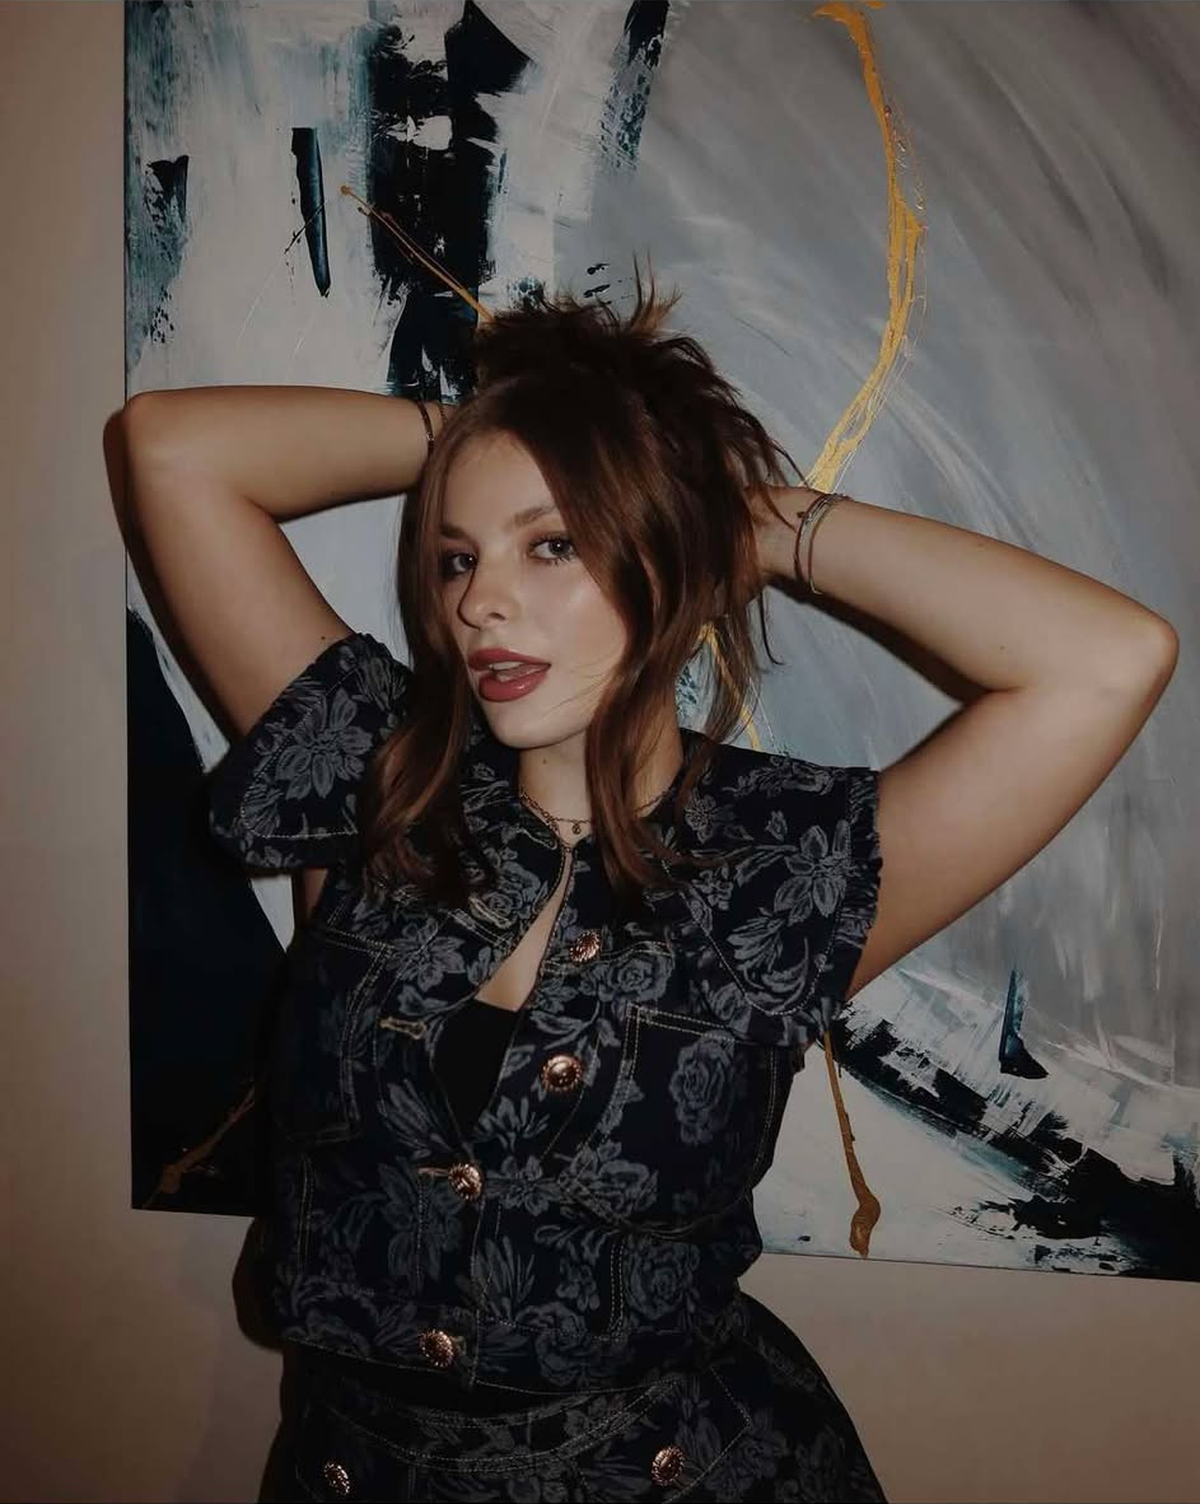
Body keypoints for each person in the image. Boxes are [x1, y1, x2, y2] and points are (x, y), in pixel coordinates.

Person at [120, 280, 1178, 1503]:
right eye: (459, 556)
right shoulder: (374, 772)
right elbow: (171, 446)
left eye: (552, 543)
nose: (478, 601)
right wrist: (490, 428)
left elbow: (1108, 661)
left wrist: (728, 514)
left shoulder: (788, 870)